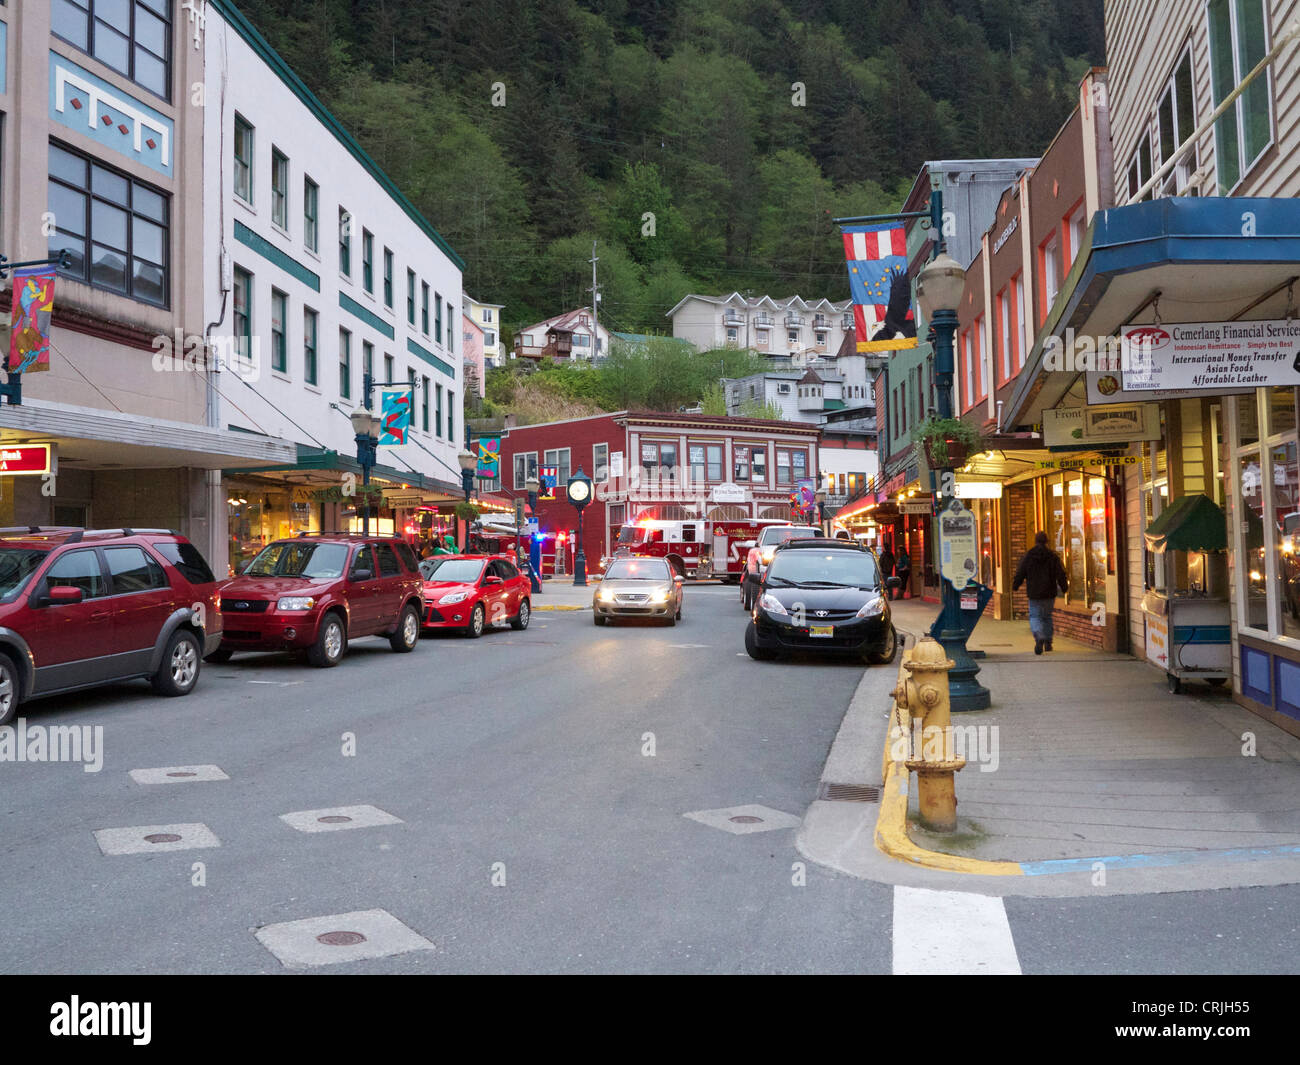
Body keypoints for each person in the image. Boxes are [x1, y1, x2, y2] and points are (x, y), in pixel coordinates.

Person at [1013, 530, 1069, 655]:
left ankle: (1039, 636)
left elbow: (1020, 572)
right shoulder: (1052, 556)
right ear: (1047, 541)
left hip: (1034, 592)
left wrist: (1016, 585)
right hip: (1049, 592)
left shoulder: (1029, 556)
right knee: (1047, 616)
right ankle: (1048, 642)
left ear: (1036, 541)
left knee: (1035, 616)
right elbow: (1060, 573)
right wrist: (1064, 587)